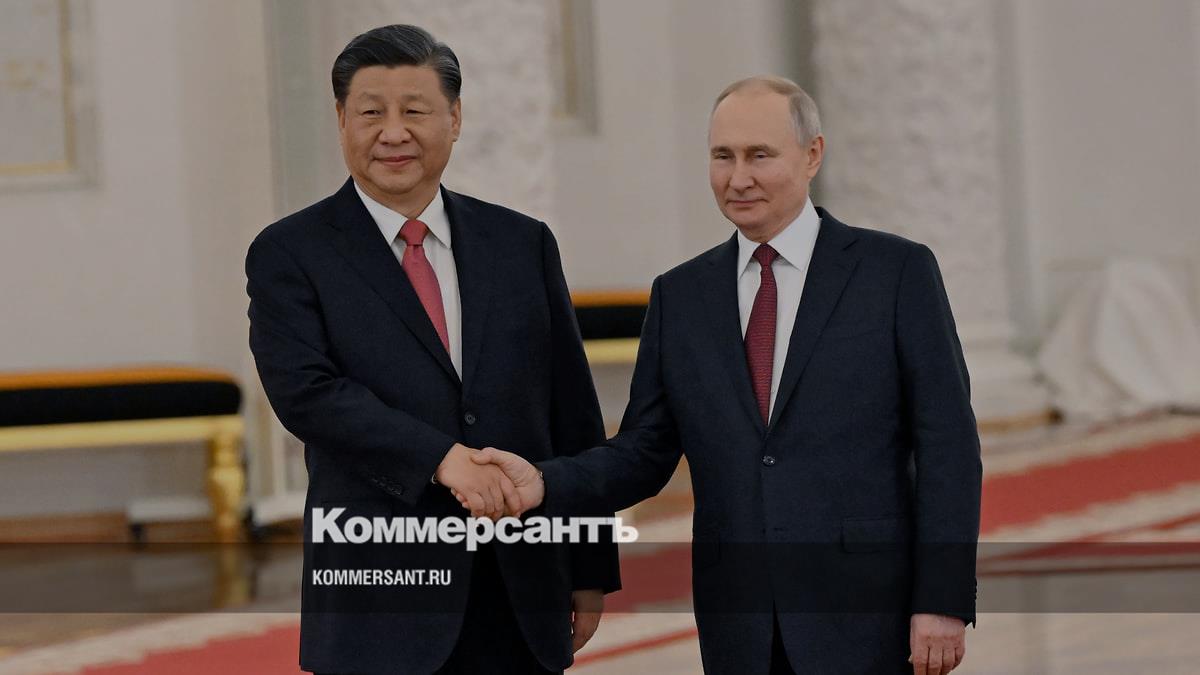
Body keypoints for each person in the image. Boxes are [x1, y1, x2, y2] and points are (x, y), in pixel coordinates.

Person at [473, 76, 982, 675]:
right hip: (739, 625)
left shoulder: (895, 272)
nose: (738, 178)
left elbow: (948, 446)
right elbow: (644, 452)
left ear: (812, 154)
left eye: (759, 155)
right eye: (723, 156)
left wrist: (941, 599)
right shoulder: (680, 296)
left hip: (869, 614)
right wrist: (543, 483)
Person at [245, 24, 619, 675]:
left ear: (455, 118)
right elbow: (308, 394)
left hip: (519, 586)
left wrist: (590, 567)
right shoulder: (291, 252)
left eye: (415, 111)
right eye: (371, 113)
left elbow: (572, 413)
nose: (393, 133)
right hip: (380, 590)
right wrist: (443, 460)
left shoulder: (522, 243)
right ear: (341, 121)